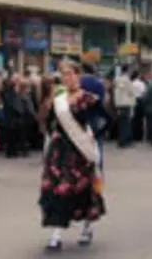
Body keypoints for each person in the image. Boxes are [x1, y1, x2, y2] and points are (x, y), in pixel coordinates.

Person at [39, 60, 106, 251]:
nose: (66, 77)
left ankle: (87, 226)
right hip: (59, 150)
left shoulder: (88, 99)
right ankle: (56, 233)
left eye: (69, 73)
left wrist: (93, 137)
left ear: (78, 75)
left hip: (80, 150)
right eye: (63, 74)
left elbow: (106, 120)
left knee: (82, 188)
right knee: (55, 188)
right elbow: (47, 122)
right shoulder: (58, 100)